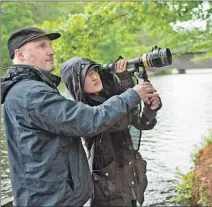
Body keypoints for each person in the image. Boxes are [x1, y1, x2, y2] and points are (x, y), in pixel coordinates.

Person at [0, 27, 159, 206]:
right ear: (20, 55)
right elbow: (90, 120)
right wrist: (131, 93)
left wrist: (149, 107)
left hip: (60, 198)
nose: (51, 51)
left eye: (50, 45)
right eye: (41, 46)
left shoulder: (29, 89)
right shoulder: (30, 93)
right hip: (51, 200)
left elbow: (138, 122)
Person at [60, 56, 162, 206]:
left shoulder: (113, 100)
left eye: (95, 71)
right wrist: (128, 86)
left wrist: (150, 109)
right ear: (77, 83)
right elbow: (116, 121)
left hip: (131, 183)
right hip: (108, 194)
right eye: (87, 74)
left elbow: (141, 124)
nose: (95, 76)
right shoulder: (83, 113)